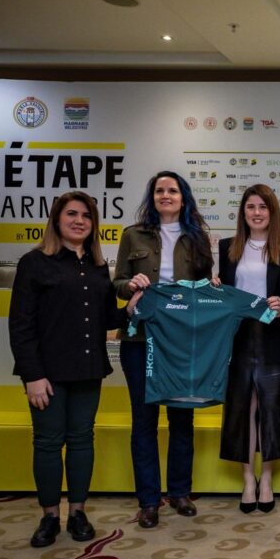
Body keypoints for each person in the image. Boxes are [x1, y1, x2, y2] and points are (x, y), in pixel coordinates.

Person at [9, 192, 137, 547]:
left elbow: (106, 318)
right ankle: (50, 516)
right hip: (46, 375)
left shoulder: (96, 266)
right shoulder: (34, 263)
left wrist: (129, 309)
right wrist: (32, 376)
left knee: (82, 441)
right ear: (56, 219)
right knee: (48, 443)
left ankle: (78, 512)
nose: (79, 221)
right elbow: (21, 325)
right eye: (72, 214)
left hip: (88, 369)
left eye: (86, 216)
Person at [114, 170, 214, 529]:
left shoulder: (198, 237)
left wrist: (212, 284)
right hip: (139, 340)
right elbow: (117, 282)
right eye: (159, 190)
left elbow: (205, 286)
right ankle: (148, 501)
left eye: (172, 190)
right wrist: (131, 285)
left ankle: (180, 493)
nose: (166, 195)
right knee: (144, 421)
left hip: (182, 342)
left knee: (182, 418)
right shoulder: (133, 234)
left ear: (183, 197)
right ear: (152, 197)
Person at [218, 184, 280, 514]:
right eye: (251, 207)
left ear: (272, 212)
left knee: (271, 407)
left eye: (263, 207)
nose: (256, 213)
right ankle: (247, 479)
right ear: (243, 212)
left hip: (274, 336)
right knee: (241, 408)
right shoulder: (227, 247)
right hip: (238, 338)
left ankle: (266, 478)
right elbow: (224, 296)